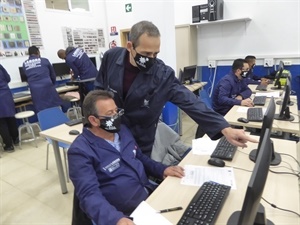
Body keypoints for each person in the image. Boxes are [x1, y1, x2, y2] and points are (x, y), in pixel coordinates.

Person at [94, 20, 257, 157]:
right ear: (130, 46)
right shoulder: (112, 57)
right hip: (108, 131)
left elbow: (191, 102)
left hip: (140, 138)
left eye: (155, 54)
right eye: (146, 54)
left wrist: (224, 128)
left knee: (135, 178)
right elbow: (99, 89)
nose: (151, 59)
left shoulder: (162, 74)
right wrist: (93, 121)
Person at [68, 90, 185, 225]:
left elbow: (139, 157)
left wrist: (162, 170)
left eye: (116, 111)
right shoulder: (80, 151)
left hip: (148, 196)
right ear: (93, 120)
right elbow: (89, 195)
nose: (116, 117)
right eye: (109, 114)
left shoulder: (122, 131)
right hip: (123, 214)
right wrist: (115, 219)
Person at [23, 46, 63, 113]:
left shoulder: (24, 64)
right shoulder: (44, 60)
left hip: (35, 90)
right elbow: (53, 75)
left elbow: (27, 76)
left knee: (41, 110)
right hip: (47, 86)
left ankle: (44, 122)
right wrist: (52, 84)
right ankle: (59, 121)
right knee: (55, 106)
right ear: (38, 52)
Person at [0, 64, 19, 152]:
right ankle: (15, 139)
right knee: (11, 118)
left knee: (2, 122)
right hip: (6, 94)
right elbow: (8, 78)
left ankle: (8, 145)